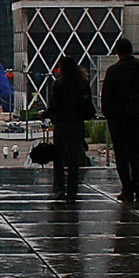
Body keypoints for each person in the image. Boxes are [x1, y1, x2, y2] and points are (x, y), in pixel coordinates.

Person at [101, 38, 139, 202]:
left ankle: (127, 187)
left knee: (121, 154)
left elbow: (107, 95)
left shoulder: (113, 70)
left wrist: (107, 113)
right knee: (135, 152)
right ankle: (138, 183)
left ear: (118, 52)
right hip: (136, 114)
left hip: (118, 116)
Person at [45, 61, 94, 197]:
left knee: (58, 157)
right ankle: (72, 191)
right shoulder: (83, 84)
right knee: (74, 158)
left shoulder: (59, 84)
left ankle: (60, 187)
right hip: (77, 123)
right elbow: (88, 105)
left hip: (61, 123)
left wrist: (46, 114)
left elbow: (53, 105)